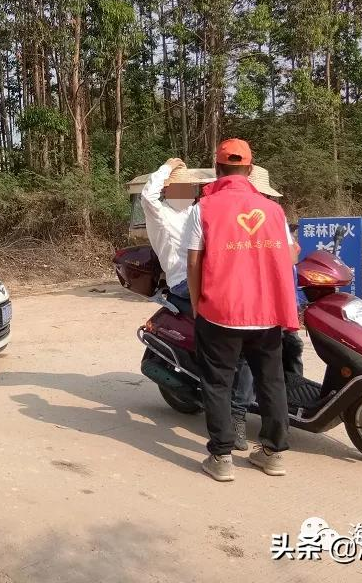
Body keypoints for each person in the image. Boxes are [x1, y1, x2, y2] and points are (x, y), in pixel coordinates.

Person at [186, 139, 300, 482]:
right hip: (266, 310)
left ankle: (221, 458)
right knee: (271, 379)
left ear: (217, 169)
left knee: (218, 381)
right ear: (250, 170)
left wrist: (196, 304)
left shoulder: (202, 208)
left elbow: (194, 261)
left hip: (220, 310)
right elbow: (290, 255)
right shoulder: (273, 210)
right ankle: (273, 454)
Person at [228, 166, 305, 451]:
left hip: (276, 303)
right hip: (253, 302)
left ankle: (284, 414)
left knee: (291, 350)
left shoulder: (273, 213)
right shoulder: (241, 216)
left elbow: (290, 255)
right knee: (248, 362)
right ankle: (238, 417)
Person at [139, 157, 212, 317]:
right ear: (166, 190)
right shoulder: (160, 214)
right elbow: (147, 196)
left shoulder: (192, 212)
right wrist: (166, 168)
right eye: (180, 188)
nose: (186, 192)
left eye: (188, 188)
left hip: (202, 275)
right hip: (183, 281)